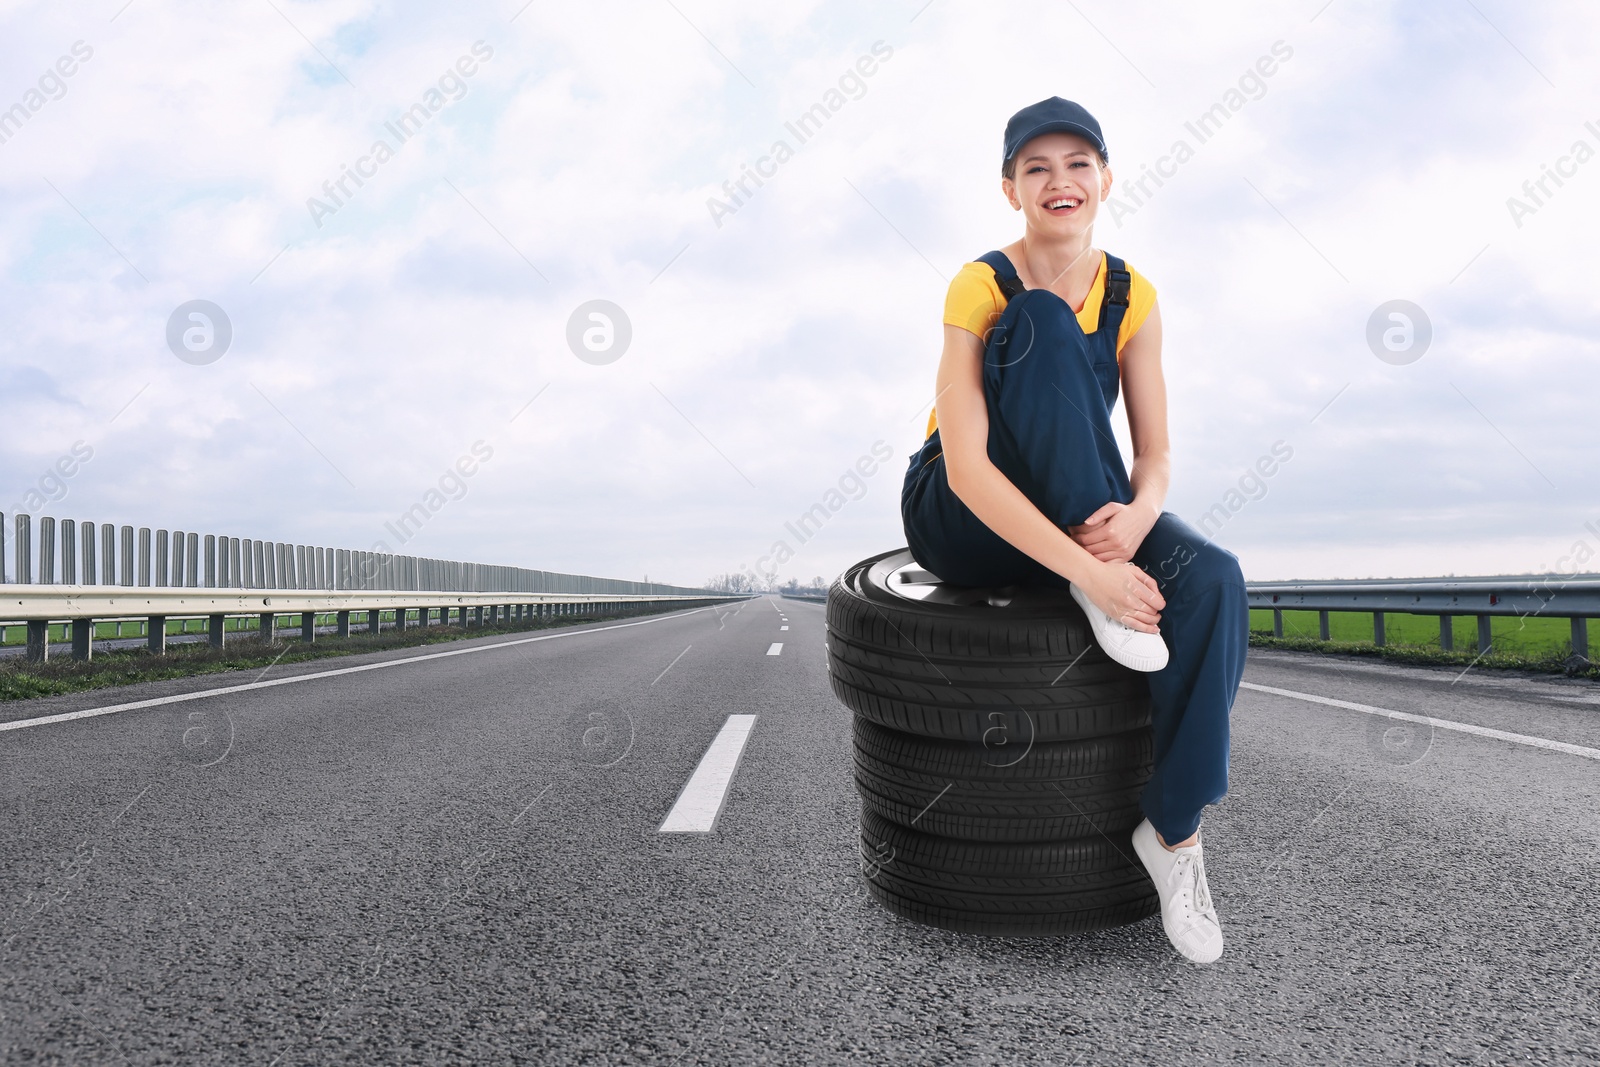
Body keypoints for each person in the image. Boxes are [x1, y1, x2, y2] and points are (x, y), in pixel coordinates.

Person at [899, 97, 1249, 965]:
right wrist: (1092, 576)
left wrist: (1134, 518)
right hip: (965, 512)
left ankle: (1173, 835)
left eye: (1077, 164)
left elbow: (1157, 456)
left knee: (1214, 578)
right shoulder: (981, 284)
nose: (1061, 182)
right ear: (1011, 187)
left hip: (1086, 507)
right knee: (1044, 323)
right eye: (1037, 168)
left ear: (1106, 177)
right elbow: (971, 468)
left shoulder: (1134, 294)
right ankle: (1090, 585)